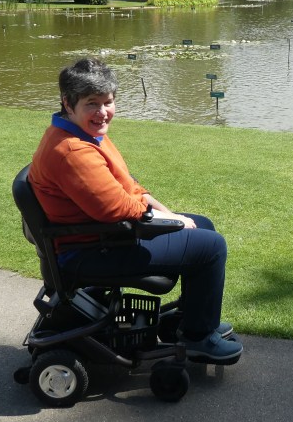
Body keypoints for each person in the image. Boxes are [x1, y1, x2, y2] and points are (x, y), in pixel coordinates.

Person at [28, 58, 242, 363]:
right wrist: (172, 221)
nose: (102, 112)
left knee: (202, 225)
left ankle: (194, 319)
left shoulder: (83, 135)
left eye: (108, 102)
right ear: (68, 103)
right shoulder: (72, 151)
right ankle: (198, 337)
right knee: (212, 247)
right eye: (92, 103)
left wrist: (167, 212)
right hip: (90, 250)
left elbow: (126, 184)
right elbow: (115, 207)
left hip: (103, 237)